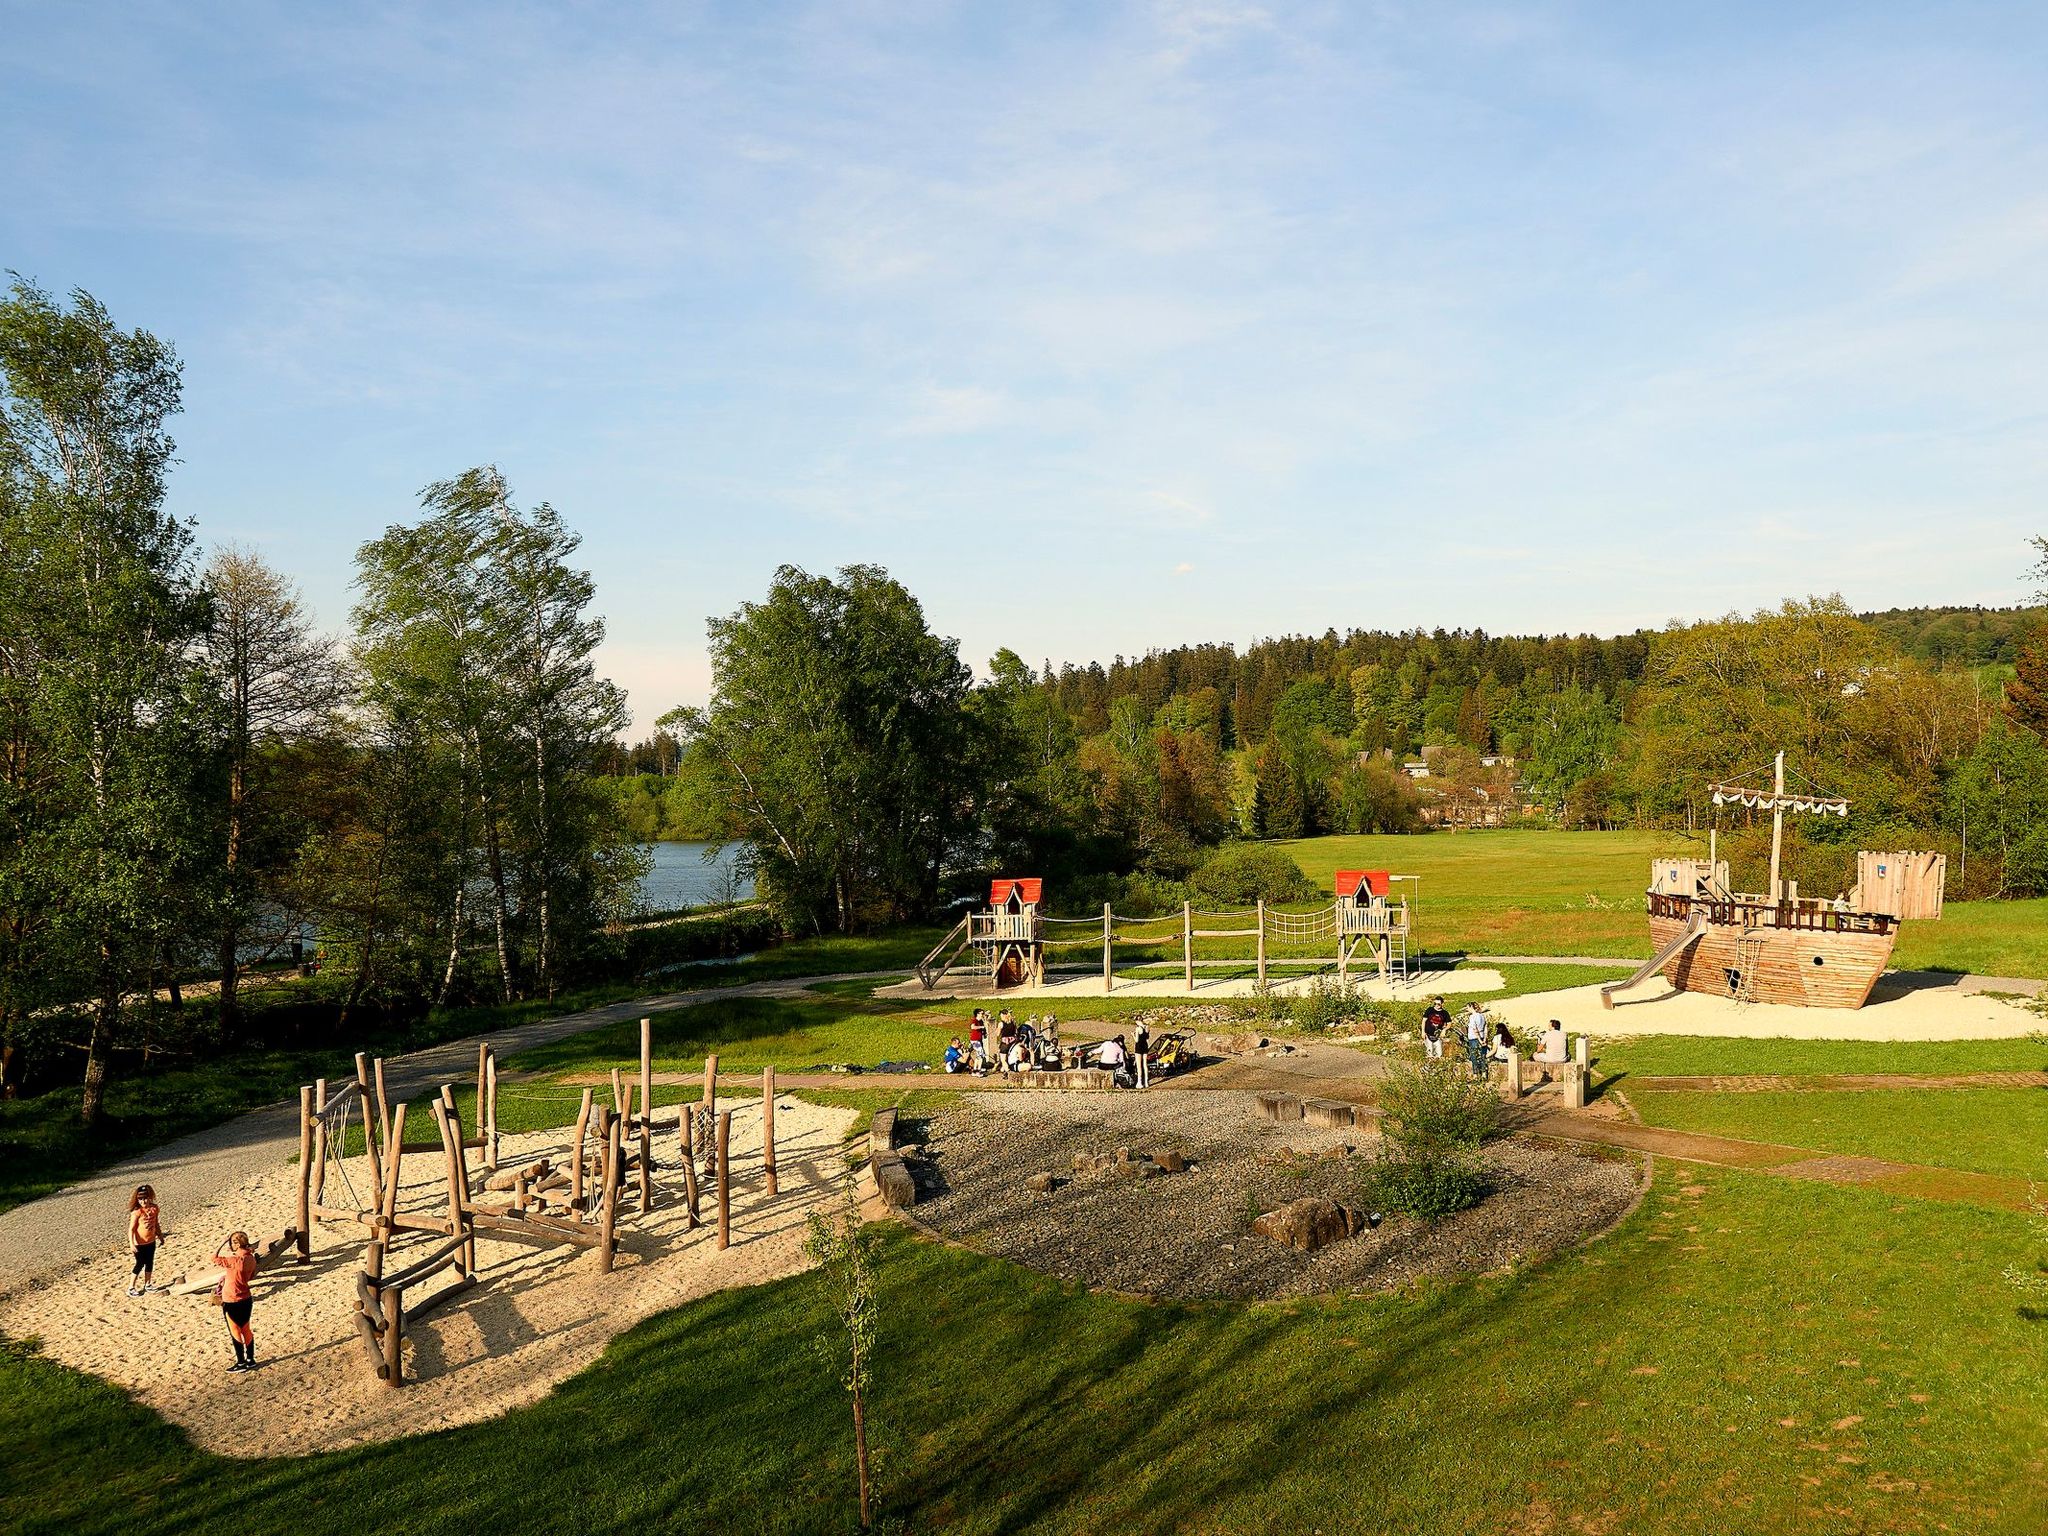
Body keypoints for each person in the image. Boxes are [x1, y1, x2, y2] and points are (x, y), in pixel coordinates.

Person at [213, 1231, 260, 1372]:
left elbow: (213, 1257)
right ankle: (251, 1359)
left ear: (236, 1244)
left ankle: (240, 1362)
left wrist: (222, 1242)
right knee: (246, 1329)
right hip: (246, 1298)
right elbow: (251, 1276)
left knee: (235, 1330)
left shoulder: (234, 1261)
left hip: (232, 1299)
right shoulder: (251, 1259)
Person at [127, 1184, 165, 1296]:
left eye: (145, 1198)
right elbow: (131, 1229)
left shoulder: (154, 1209)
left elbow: (156, 1224)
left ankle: (147, 1284)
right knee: (139, 1264)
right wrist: (131, 1244)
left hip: (151, 1242)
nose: (143, 1201)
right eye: (140, 1199)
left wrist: (160, 1235)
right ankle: (131, 1287)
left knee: (149, 1263)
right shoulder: (137, 1212)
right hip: (139, 1243)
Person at [1461, 1002, 1490, 1079]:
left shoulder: (1472, 1017)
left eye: (1468, 1007)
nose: (1467, 1009)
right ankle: (1484, 1074)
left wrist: (1479, 1040)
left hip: (1474, 1038)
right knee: (1482, 1056)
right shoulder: (1482, 1016)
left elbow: (1475, 1029)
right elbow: (1486, 1028)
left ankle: (1475, 1074)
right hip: (1483, 1036)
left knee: (1474, 1056)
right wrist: (1484, 1038)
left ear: (1471, 1007)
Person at [1421, 997, 1450, 1062]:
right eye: (1435, 1003)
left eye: (1438, 1004)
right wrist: (1423, 1031)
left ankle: (1437, 1068)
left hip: (1438, 1036)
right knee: (1429, 1053)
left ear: (1442, 1004)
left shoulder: (1445, 1013)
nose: (1436, 1005)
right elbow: (1424, 1021)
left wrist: (1444, 1030)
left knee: (1439, 1054)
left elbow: (1449, 1023)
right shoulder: (1430, 1010)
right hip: (1428, 1035)